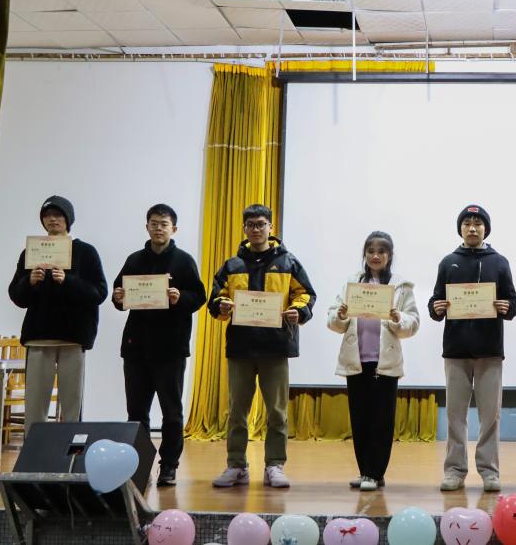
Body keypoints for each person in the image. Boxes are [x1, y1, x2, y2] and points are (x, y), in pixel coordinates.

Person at [208, 204, 316, 489]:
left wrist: (298, 311)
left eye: (260, 224)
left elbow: (306, 294)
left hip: (275, 347)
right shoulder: (232, 264)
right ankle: (237, 465)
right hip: (241, 347)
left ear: (271, 227)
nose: (256, 229)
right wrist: (222, 305)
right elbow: (216, 298)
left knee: (277, 412)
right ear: (244, 228)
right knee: (237, 411)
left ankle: (274, 465)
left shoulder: (288, 262)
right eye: (251, 225)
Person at [112, 203, 207, 487]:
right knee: (136, 413)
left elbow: (199, 297)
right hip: (136, 348)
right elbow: (118, 295)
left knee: (171, 412)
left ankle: (169, 466)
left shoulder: (184, 261)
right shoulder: (134, 260)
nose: (158, 228)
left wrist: (181, 298)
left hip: (171, 348)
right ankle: (138, 465)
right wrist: (118, 297)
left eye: (164, 224)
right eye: (154, 223)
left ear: (173, 229)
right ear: (147, 227)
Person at [429, 205, 516, 492]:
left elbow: (514, 302)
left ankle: (489, 472)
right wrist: (436, 308)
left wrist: (507, 307)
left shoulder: (500, 262)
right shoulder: (448, 262)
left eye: (478, 223)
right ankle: (454, 471)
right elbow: (435, 302)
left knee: (490, 416)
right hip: (456, 350)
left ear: (485, 229)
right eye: (467, 223)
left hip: (490, 351)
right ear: (460, 229)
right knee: (455, 415)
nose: (472, 228)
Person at [328, 231, 419, 491]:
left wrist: (398, 318)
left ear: (390, 256)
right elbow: (333, 320)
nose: (375, 256)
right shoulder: (352, 283)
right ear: (365, 255)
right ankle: (365, 471)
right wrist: (341, 315)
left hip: (384, 363)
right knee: (360, 420)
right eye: (370, 251)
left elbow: (413, 323)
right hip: (356, 361)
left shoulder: (401, 286)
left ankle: (375, 473)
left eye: (381, 251)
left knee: (381, 420)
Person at [8, 195, 107, 430]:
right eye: (47, 216)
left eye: (58, 215)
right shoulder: (31, 253)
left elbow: (99, 293)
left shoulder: (85, 252)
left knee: (72, 405)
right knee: (35, 404)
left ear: (68, 219)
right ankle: (34, 450)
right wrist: (29, 282)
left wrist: (68, 280)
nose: (52, 219)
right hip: (39, 337)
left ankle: (72, 450)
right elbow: (16, 296)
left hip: (73, 337)